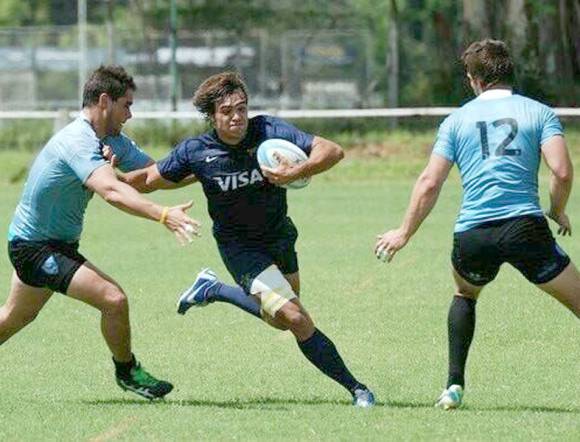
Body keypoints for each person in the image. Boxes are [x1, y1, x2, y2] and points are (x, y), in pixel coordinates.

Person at [120, 71, 375, 407]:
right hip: (240, 248)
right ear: (212, 116)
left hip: (279, 235)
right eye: (227, 111)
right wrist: (107, 175)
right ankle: (358, 389)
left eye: (241, 108)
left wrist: (297, 171)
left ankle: (213, 289)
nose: (237, 117)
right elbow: (147, 179)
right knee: (296, 319)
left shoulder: (267, 130)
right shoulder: (196, 152)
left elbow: (332, 150)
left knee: (279, 320)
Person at [375, 39, 580, 409]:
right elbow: (562, 172)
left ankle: (453, 386)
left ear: (475, 80)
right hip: (525, 229)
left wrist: (403, 232)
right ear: (509, 73)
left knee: (466, 294)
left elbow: (429, 182)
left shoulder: (456, 121)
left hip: (474, 234)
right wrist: (557, 209)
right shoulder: (539, 113)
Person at [2, 65, 200, 400]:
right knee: (114, 299)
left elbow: (153, 175)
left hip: (49, 244)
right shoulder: (77, 141)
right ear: (105, 101)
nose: (130, 114)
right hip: (36, 248)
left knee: (14, 318)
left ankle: (127, 372)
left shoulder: (111, 141)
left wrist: (210, 167)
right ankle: (128, 372)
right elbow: (112, 191)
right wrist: (163, 214)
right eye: (127, 105)